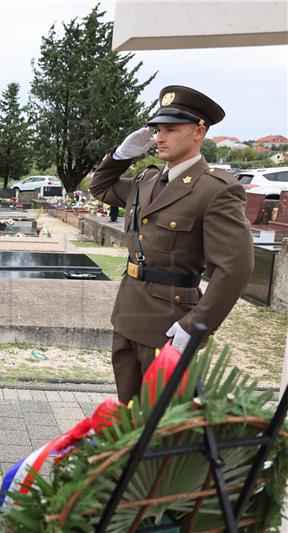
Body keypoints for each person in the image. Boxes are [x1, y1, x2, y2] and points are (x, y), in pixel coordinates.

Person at [89, 85, 254, 404]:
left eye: (171, 129)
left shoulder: (216, 190)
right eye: (157, 129)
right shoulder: (146, 181)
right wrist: (121, 155)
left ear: (198, 132)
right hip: (127, 315)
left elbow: (234, 268)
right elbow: (101, 188)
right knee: (128, 415)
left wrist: (196, 326)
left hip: (171, 322)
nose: (160, 137)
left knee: (163, 428)